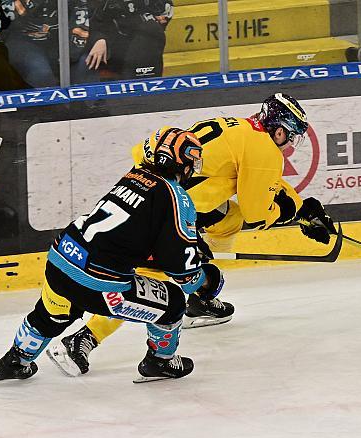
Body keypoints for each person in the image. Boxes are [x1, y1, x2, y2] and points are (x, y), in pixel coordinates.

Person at [46, 93, 338, 377]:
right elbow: (258, 213)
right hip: (167, 210)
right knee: (157, 280)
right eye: (291, 134)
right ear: (278, 130)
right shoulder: (264, 150)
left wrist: (302, 209)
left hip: (152, 188)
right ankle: (81, 341)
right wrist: (287, 212)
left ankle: (199, 295)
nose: (291, 142)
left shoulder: (241, 127)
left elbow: (261, 182)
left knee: (229, 218)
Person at [0, 127, 225, 383]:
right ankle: (160, 361)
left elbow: (128, 237)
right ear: (184, 162)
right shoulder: (178, 198)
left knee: (51, 315)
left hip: (61, 259)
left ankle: (14, 362)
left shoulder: (133, 176)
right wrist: (206, 282)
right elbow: (182, 271)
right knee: (174, 302)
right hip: (99, 284)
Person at [73, 0, 172, 83]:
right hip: (107, 46)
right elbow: (87, 21)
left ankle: (146, 89)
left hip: (141, 44)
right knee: (85, 61)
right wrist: (99, 39)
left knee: (151, 31)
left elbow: (165, 12)